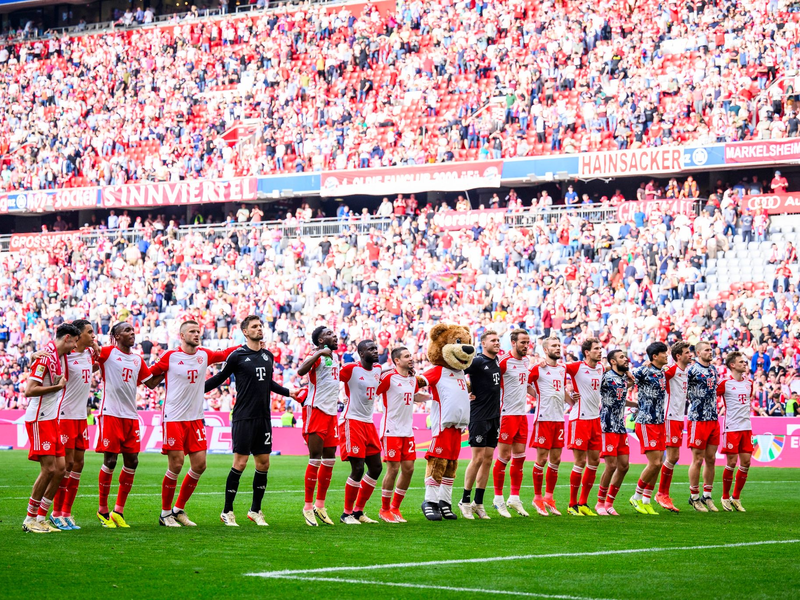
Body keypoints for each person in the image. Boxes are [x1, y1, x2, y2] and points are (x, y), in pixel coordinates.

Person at [204, 315, 299, 527]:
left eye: (260, 326)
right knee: (240, 463)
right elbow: (220, 378)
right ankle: (227, 511)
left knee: (264, 464)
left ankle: (255, 510)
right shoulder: (237, 355)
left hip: (263, 417)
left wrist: (288, 392)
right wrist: (196, 390)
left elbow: (269, 383)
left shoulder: (268, 356)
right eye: (254, 326)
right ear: (245, 332)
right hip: (243, 417)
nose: (259, 329)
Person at [149, 320, 237, 527]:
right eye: (192, 331)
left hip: (196, 418)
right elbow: (149, 374)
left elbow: (224, 355)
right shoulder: (171, 357)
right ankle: (165, 514)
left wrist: (244, 346)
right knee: (177, 464)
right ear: (182, 336)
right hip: (173, 418)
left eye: (198, 331)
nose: (197, 334)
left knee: (199, 465)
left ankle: (178, 510)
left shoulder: (203, 355)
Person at [94, 322, 162, 528]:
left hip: (131, 417)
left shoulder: (137, 359)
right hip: (111, 414)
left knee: (132, 461)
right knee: (111, 461)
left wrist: (167, 368)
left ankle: (118, 511)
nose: (132, 333)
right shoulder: (107, 353)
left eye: (133, 330)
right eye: (127, 330)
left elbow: (150, 383)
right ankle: (102, 510)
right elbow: (90, 360)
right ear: (116, 335)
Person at [22, 324, 79, 534]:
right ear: (67, 338)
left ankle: (41, 517)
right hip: (39, 418)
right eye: (75, 340)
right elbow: (29, 390)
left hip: (52, 419)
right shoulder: (45, 357)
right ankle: (29, 519)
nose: (75, 346)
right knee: (49, 469)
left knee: (61, 470)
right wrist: (56, 387)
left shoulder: (60, 356)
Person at [49, 320, 98, 530]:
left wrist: (96, 350)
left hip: (81, 417)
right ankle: (55, 513)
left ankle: (67, 513)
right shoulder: (65, 358)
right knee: (67, 465)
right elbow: (50, 351)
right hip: (65, 416)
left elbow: (97, 364)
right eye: (90, 333)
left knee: (79, 465)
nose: (93, 336)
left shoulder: (88, 355)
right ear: (78, 336)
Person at [376, 346, 427, 523]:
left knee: (409, 469)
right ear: (397, 361)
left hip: (407, 430)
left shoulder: (413, 378)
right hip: (391, 430)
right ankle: (384, 509)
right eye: (406, 356)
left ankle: (395, 508)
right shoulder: (388, 376)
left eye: (410, 355)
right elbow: (373, 391)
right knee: (393, 468)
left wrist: (432, 398)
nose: (410, 358)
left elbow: (413, 397)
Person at [297, 326, 340, 526]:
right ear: (321, 340)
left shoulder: (337, 358)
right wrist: (317, 354)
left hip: (332, 414)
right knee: (315, 458)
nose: (335, 336)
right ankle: (307, 507)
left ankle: (320, 505)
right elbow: (300, 371)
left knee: (330, 460)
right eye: (330, 334)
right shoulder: (317, 356)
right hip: (316, 410)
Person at [338, 340, 383, 524]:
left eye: (375, 348)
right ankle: (346, 514)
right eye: (370, 349)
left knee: (376, 467)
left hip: (368, 423)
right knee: (357, 468)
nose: (375, 351)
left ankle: (358, 512)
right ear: (361, 353)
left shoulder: (378, 369)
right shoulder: (351, 369)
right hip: (352, 421)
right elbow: (332, 377)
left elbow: (384, 377)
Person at [459, 330, 502, 520]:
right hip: (478, 416)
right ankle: (465, 501)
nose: (497, 343)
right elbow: (457, 374)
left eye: (498, 340)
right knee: (477, 459)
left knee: (487, 460)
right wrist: (465, 393)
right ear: (483, 343)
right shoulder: (476, 361)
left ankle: (478, 502)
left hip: (494, 417)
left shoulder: (497, 361)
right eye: (493, 340)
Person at [492, 329, 532, 517]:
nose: (526, 346)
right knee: (504, 457)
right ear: (513, 342)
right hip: (506, 415)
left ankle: (514, 497)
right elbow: (490, 385)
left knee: (520, 457)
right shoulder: (503, 363)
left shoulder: (526, 361)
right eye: (523, 342)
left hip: (521, 416)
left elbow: (528, 386)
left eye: (527, 342)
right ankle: (498, 498)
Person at [565, 338, 605, 516]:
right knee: (580, 462)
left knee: (594, 462)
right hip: (579, 419)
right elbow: (556, 370)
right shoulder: (575, 367)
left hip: (595, 419)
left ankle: (583, 503)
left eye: (600, 348)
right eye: (596, 348)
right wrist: (568, 393)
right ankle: (572, 504)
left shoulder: (601, 368)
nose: (600, 351)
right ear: (587, 352)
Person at [528, 336, 567, 516]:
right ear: (545, 350)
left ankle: (549, 498)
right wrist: (537, 395)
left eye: (559, 345)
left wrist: (571, 400)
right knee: (542, 459)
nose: (558, 348)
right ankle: (537, 498)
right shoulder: (538, 368)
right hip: (543, 418)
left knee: (556, 460)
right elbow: (523, 383)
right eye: (554, 346)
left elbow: (561, 390)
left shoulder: (562, 369)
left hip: (559, 419)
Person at [629, 342, 669, 515]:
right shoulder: (643, 371)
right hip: (646, 421)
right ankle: (636, 497)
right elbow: (626, 377)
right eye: (664, 353)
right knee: (654, 462)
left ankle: (646, 499)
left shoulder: (662, 372)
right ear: (655, 356)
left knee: (658, 463)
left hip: (659, 421)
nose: (667, 356)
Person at [597, 349, 636, 516]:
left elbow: (620, 398)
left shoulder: (622, 379)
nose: (625, 359)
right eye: (621, 357)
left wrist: (634, 405)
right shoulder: (605, 377)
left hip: (620, 426)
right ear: (612, 361)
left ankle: (609, 502)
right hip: (607, 425)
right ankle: (600, 503)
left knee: (624, 466)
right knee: (611, 465)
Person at [656, 341, 692, 512]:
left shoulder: (685, 372)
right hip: (669, 416)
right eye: (687, 352)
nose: (690, 354)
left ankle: (659, 493)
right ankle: (661, 493)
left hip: (678, 417)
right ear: (678, 356)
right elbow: (656, 378)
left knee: (673, 457)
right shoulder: (671, 371)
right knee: (671, 456)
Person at [686, 341, 720, 512]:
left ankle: (707, 495)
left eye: (711, 349)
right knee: (697, 459)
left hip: (713, 418)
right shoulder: (691, 370)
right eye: (707, 350)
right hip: (698, 419)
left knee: (711, 459)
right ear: (698, 353)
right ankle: (694, 497)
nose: (710, 352)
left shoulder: (714, 370)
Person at [718, 352, 754, 512]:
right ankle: (725, 497)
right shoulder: (724, 383)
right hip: (731, 428)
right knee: (731, 463)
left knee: (746, 463)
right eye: (741, 362)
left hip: (746, 428)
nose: (744, 364)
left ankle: (736, 497)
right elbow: (711, 396)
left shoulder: (749, 383)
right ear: (732, 365)